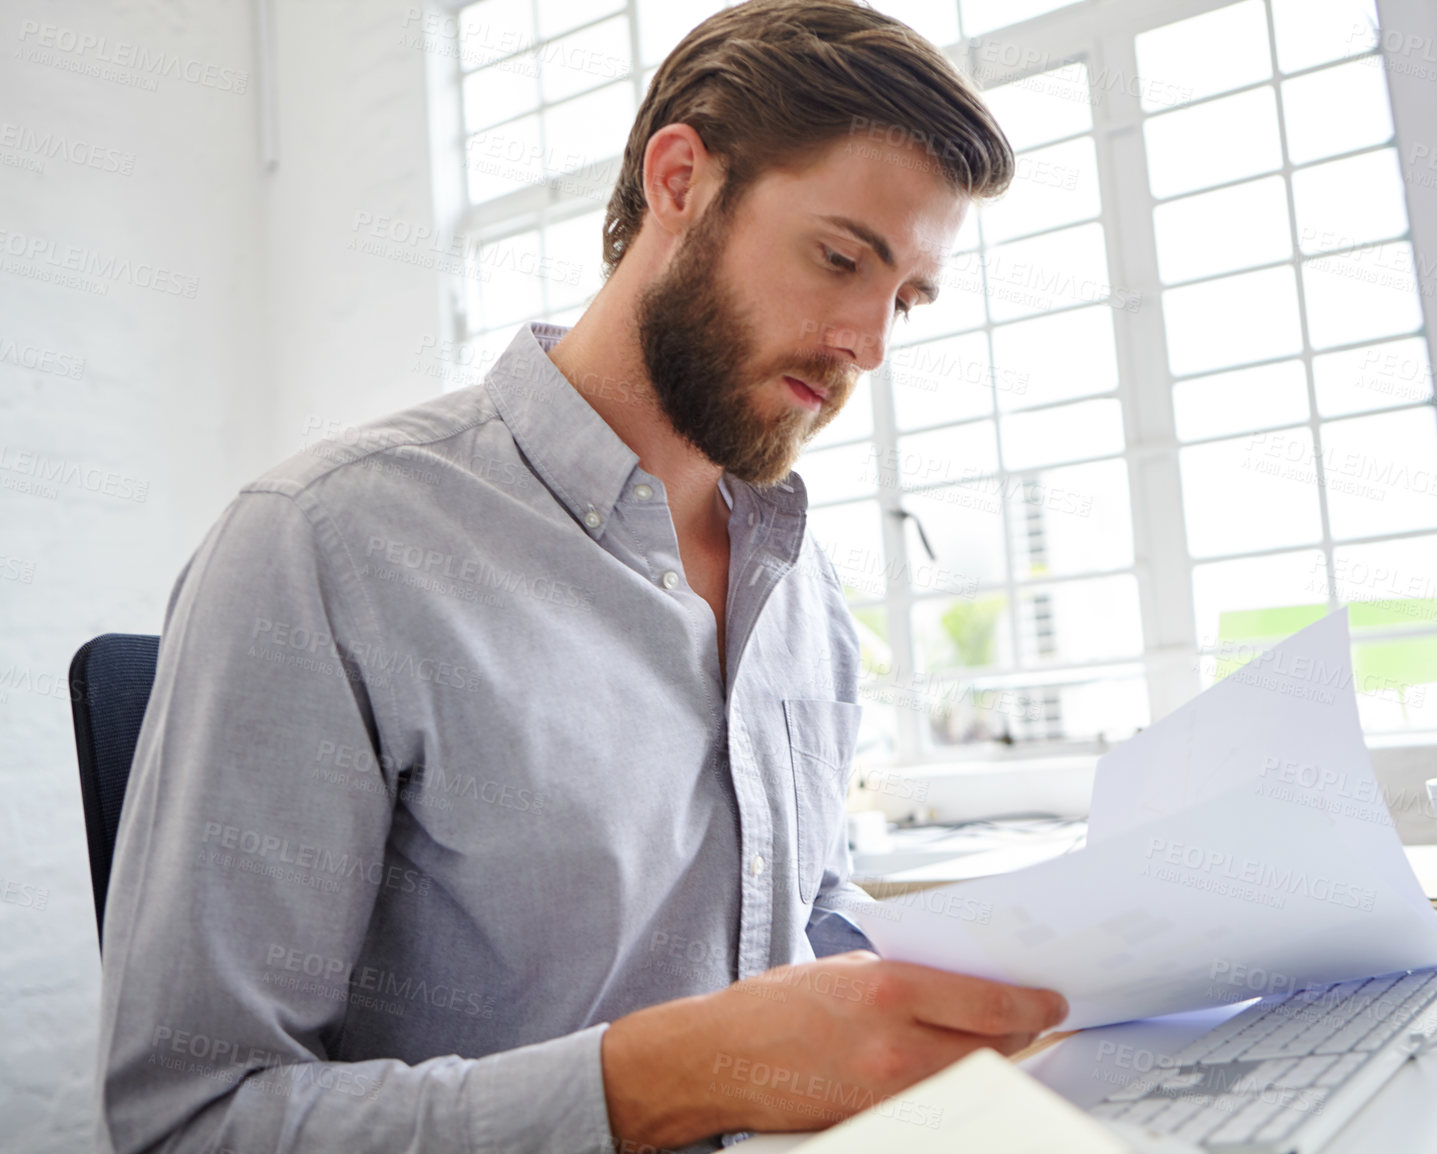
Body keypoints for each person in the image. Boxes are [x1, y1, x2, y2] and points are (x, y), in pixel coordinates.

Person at [96, 2, 1068, 1151]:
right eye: (840, 257)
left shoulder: (801, 589)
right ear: (678, 179)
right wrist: (673, 1076)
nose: (867, 341)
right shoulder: (325, 547)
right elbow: (188, 1121)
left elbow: (800, 919)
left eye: (903, 297)